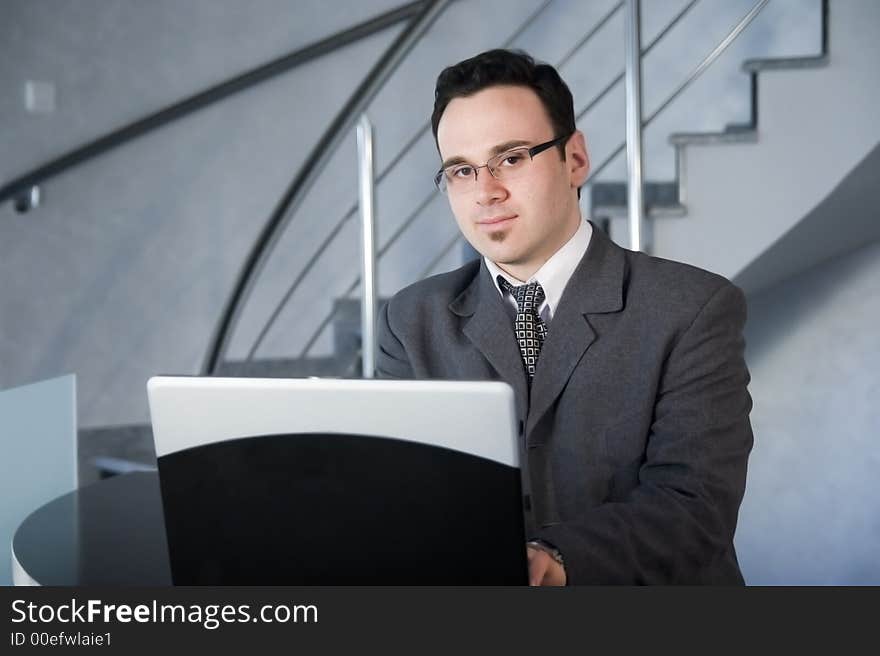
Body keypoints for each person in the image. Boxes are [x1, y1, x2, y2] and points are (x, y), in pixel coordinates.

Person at [376, 49, 753, 585]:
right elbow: (397, 495)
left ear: (574, 159)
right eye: (461, 170)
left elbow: (694, 506)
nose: (486, 191)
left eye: (511, 158)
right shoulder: (410, 322)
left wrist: (556, 559)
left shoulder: (693, 308)